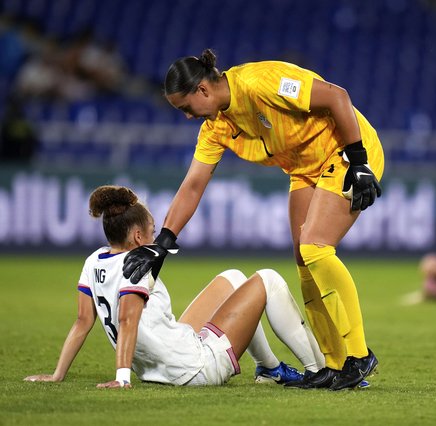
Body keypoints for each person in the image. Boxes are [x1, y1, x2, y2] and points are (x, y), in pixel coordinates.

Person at [122, 49, 383, 390]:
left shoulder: (262, 82)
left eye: (186, 108)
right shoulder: (216, 126)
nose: (188, 116)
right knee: (305, 260)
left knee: (315, 247)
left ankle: (359, 356)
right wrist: (162, 242)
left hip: (345, 151)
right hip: (304, 167)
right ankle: (333, 365)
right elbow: (193, 185)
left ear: (203, 89)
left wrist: (359, 160)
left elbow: (337, 97)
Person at [24, 185, 327, 388]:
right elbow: (128, 320)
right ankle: (319, 371)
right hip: (196, 367)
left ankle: (269, 369)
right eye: (153, 232)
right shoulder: (138, 264)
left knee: (234, 277)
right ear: (139, 237)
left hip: (159, 365)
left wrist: (57, 374)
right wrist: (122, 378)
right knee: (269, 279)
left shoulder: (94, 260)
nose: (156, 238)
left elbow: (82, 322)